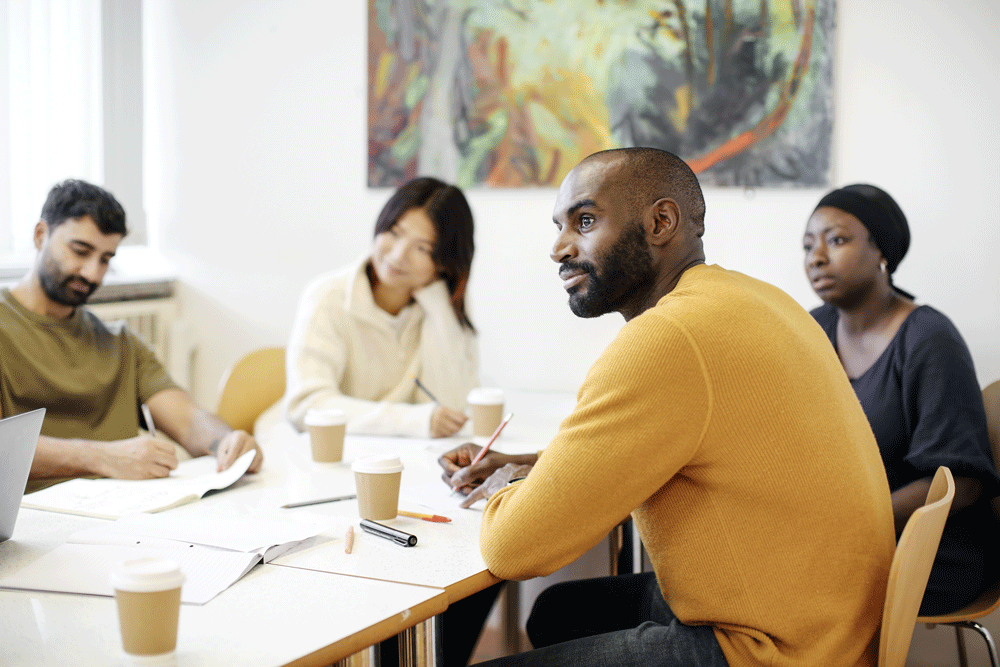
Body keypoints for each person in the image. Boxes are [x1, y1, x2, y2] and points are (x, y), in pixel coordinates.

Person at [439, 148, 895, 667]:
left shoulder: (666, 339)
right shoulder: (757, 299)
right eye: (559, 226)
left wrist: (508, 493)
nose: (559, 248)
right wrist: (541, 469)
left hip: (777, 649)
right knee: (558, 613)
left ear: (661, 222)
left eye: (584, 221)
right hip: (828, 614)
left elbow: (512, 550)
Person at [803, 183, 1000, 615]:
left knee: (785, 587)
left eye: (836, 240)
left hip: (935, 549)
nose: (816, 257)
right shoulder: (811, 331)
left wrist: (853, 524)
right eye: (808, 245)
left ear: (882, 252)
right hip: (846, 538)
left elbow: (961, 484)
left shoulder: (929, 339)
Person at [0, 179, 263, 494]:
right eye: (80, 250)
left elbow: (189, 419)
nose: (92, 273)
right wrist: (101, 457)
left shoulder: (120, 343)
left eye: (106, 259)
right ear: (40, 235)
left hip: (126, 519)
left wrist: (226, 441)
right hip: (36, 525)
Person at [284, 176, 479, 438]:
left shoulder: (439, 306)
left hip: (404, 459)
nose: (398, 255)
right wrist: (409, 421)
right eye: (394, 233)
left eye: (422, 248)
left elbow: (452, 405)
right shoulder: (328, 298)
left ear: (444, 262)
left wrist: (439, 309)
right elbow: (307, 407)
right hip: (322, 456)